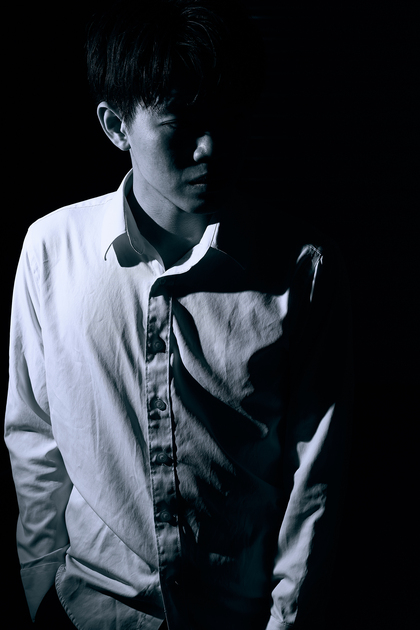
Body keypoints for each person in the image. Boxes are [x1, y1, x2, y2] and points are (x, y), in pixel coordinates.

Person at [4, 1, 353, 628]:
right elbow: (34, 437)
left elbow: (316, 479)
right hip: (86, 611)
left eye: (228, 118)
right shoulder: (52, 250)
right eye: (182, 123)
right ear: (116, 126)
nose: (211, 147)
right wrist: (39, 583)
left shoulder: (302, 268)